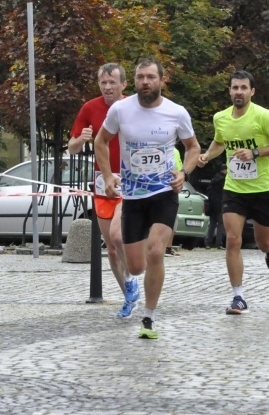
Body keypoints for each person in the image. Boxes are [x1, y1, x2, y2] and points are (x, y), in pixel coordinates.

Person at [94, 58, 200, 339]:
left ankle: (149, 317)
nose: (145, 82)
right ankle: (137, 287)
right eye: (140, 77)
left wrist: (184, 173)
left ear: (161, 80)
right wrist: (107, 177)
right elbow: (100, 141)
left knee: (156, 251)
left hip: (164, 193)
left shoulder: (176, 113)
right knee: (137, 265)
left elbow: (192, 147)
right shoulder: (120, 110)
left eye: (150, 77)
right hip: (133, 196)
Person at [197, 70, 269, 315]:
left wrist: (256, 152)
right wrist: (208, 154)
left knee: (262, 242)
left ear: (252, 92)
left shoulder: (263, 116)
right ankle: (238, 296)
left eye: (243, 88)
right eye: (235, 87)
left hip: (262, 188)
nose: (238, 92)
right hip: (234, 188)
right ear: (229, 91)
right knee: (232, 239)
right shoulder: (221, 118)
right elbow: (220, 142)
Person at [68, 63, 133, 318]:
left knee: (118, 237)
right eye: (103, 83)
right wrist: (81, 140)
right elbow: (71, 147)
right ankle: (128, 294)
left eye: (112, 82)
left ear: (123, 85)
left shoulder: (133, 107)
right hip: (102, 184)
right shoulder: (90, 108)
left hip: (130, 182)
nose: (107, 87)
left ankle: (134, 279)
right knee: (113, 247)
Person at [205, 165, 227, 249]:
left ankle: (208, 242)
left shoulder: (214, 179)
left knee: (212, 224)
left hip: (212, 204)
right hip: (220, 203)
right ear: (224, 170)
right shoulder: (224, 179)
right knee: (221, 224)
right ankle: (219, 243)